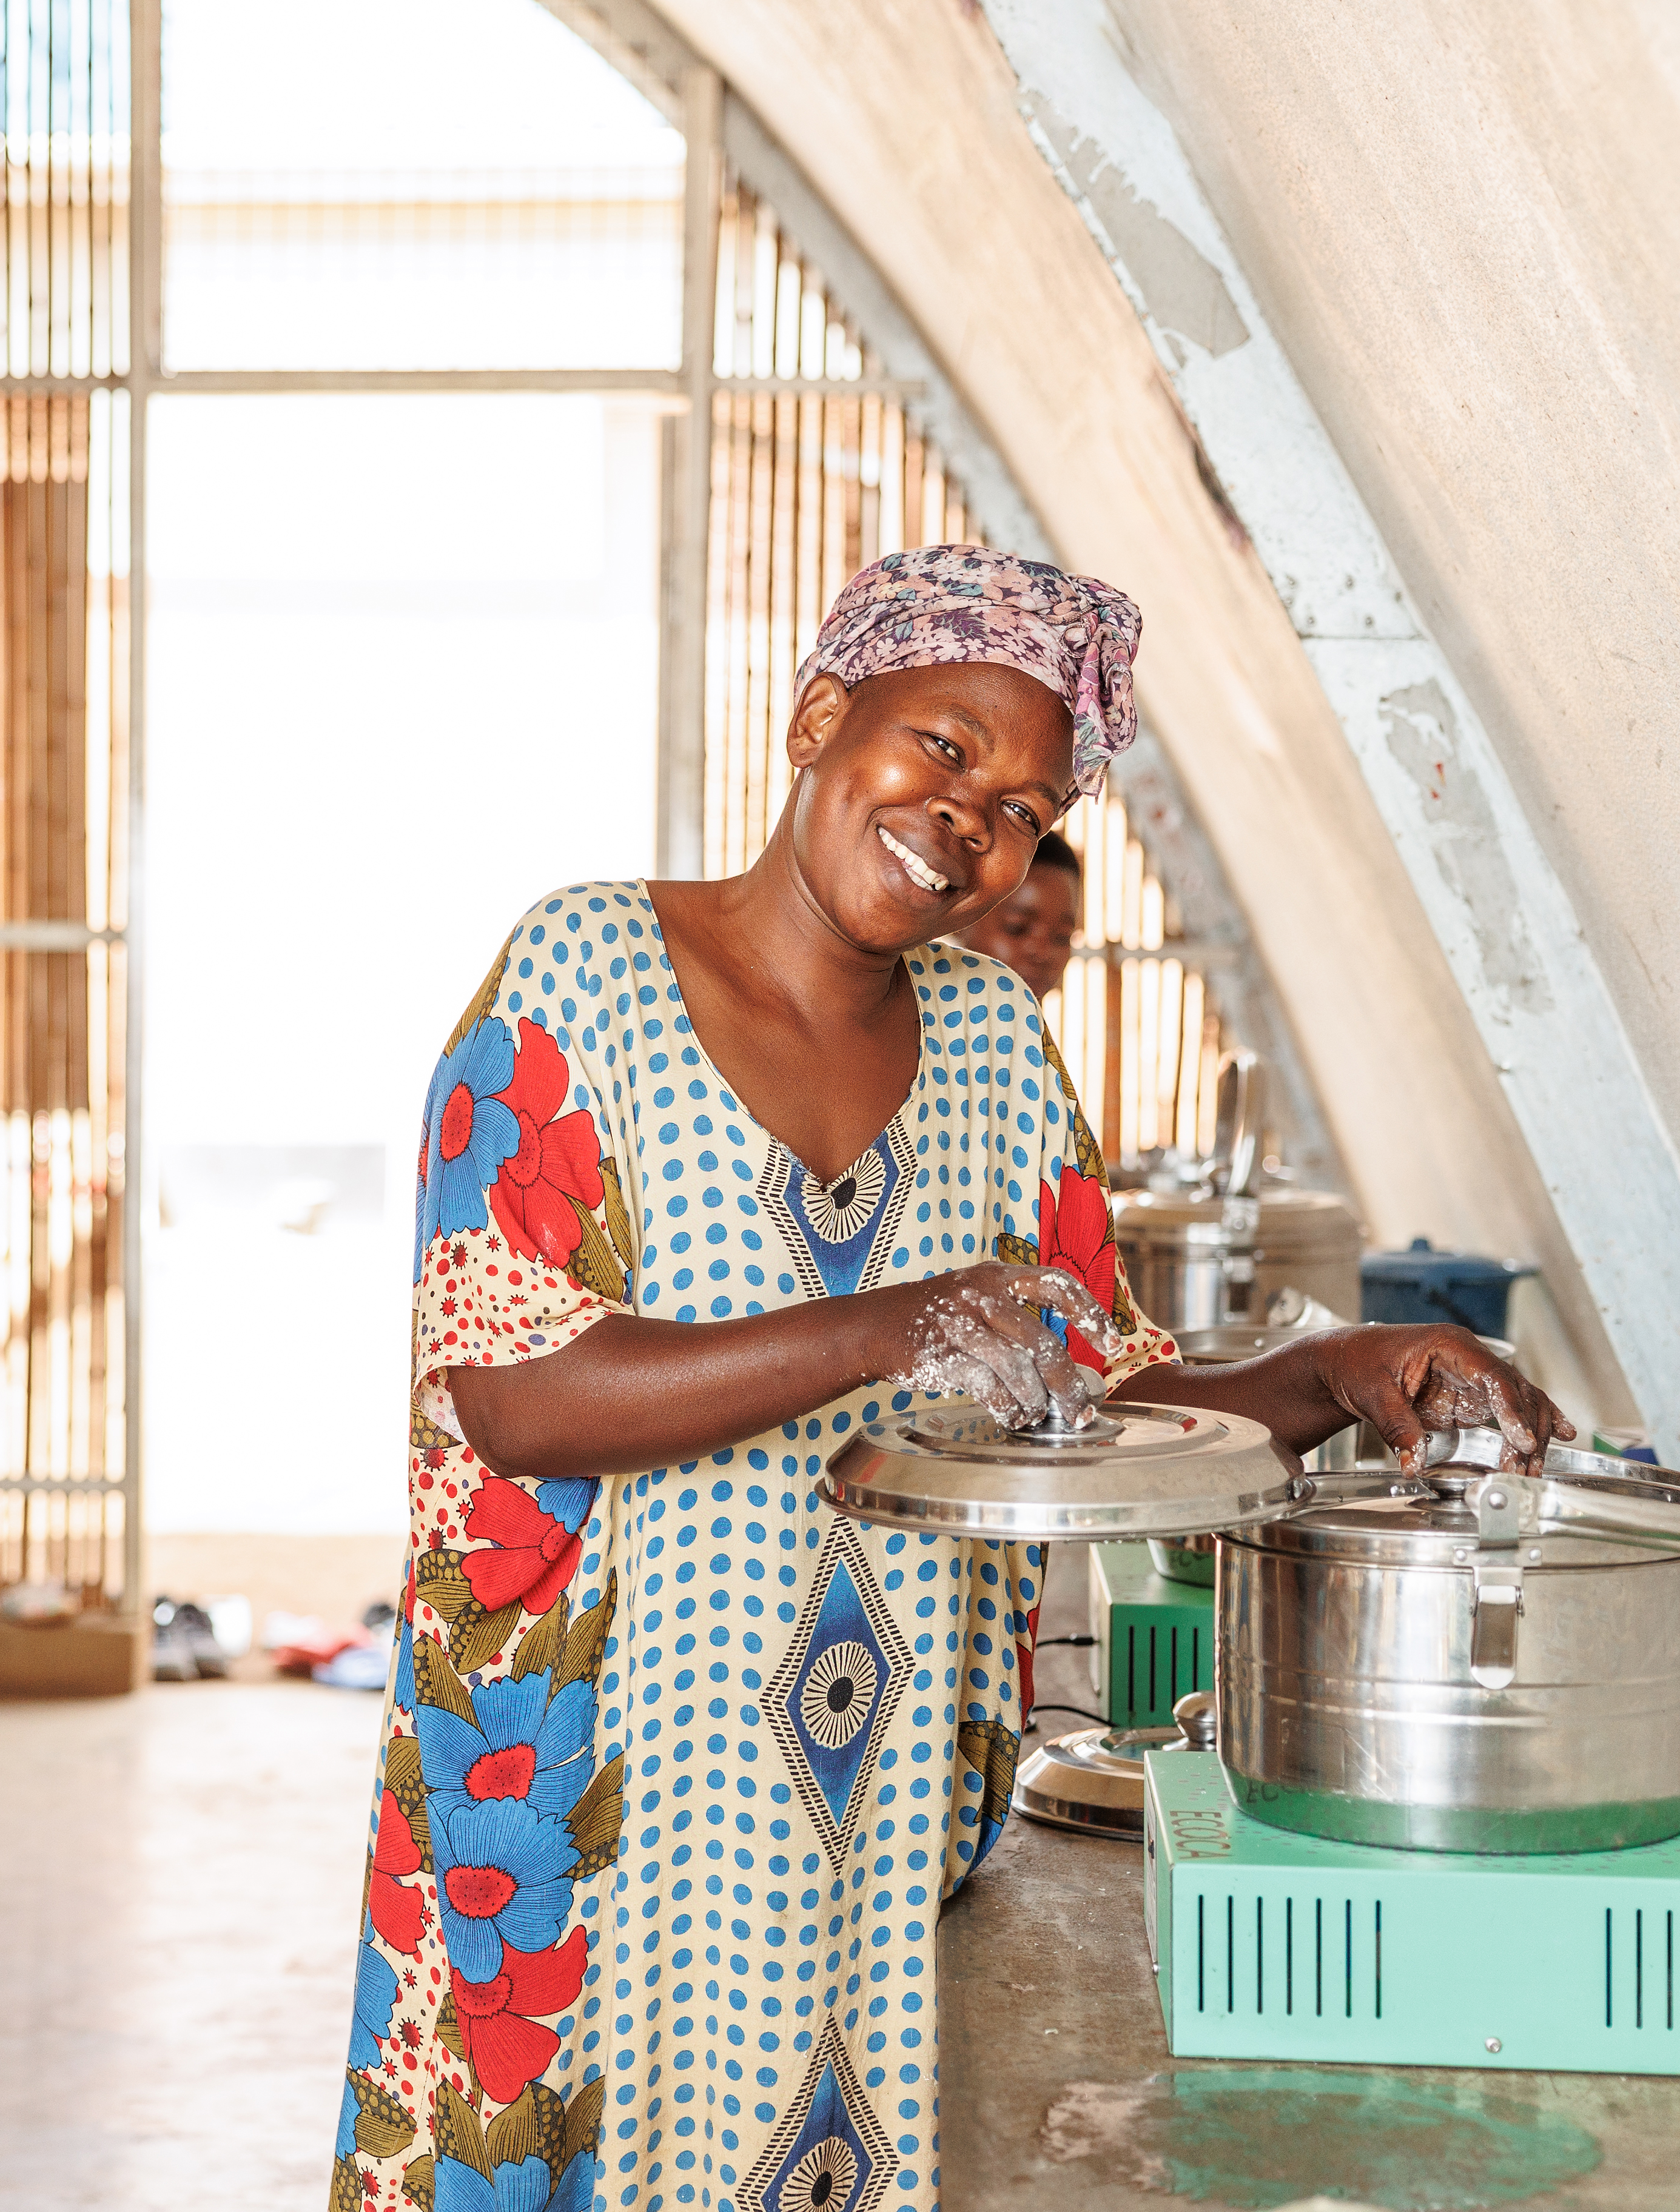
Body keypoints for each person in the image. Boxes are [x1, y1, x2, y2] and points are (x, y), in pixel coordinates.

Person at [332, 546, 1563, 2212]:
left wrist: (1334, 1370)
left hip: (858, 1793)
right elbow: (517, 1393)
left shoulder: (992, 1040)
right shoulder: (589, 974)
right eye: (945, 751)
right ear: (823, 718)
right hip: (583, 1783)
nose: (971, 822)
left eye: (1025, 806)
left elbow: (1088, 1389)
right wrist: (900, 1322)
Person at [955, 825, 1081, 1002]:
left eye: (1062, 936)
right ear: (961, 917)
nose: (1043, 953)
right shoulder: (917, 1020)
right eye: (1018, 927)